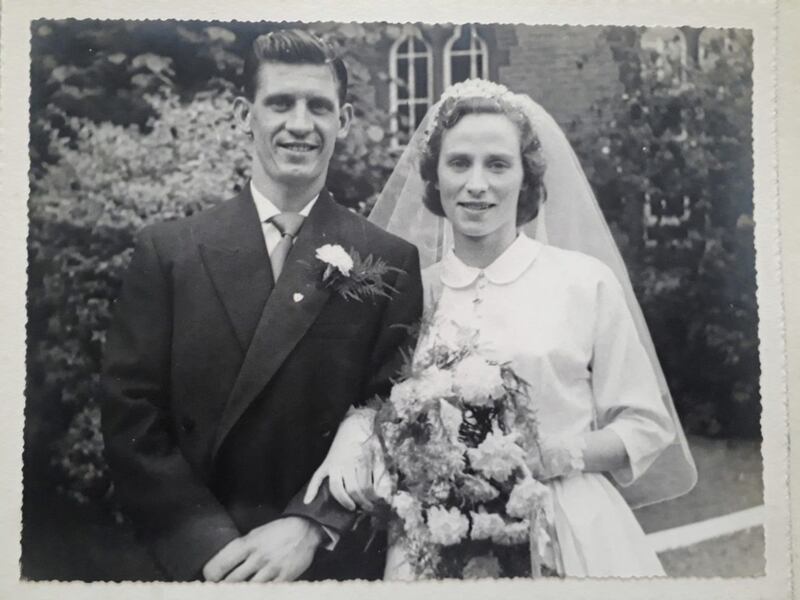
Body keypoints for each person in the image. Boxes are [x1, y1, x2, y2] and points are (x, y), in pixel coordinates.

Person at [305, 79, 697, 578]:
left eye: (497, 164)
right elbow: (373, 402)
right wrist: (354, 434)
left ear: (524, 177)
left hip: (567, 528)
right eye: (459, 163)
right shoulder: (409, 294)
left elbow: (645, 424)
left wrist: (552, 454)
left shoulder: (583, 283)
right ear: (436, 177)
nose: (477, 184)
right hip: (433, 535)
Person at [101, 29, 423, 582]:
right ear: (242, 114)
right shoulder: (171, 251)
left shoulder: (389, 259)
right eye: (280, 103)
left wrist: (310, 525)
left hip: (327, 563)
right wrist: (212, 550)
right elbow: (133, 416)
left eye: (319, 106)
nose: (300, 124)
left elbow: (393, 412)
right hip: (204, 564)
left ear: (342, 122)